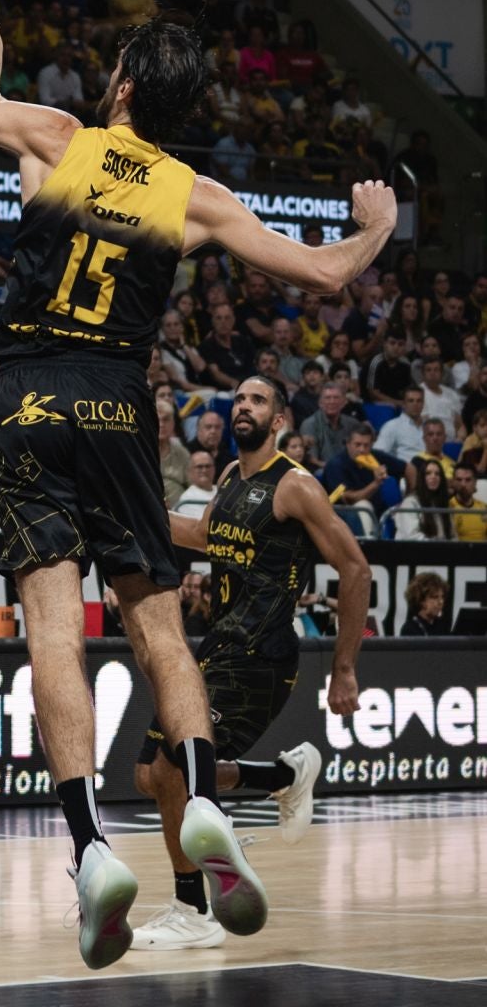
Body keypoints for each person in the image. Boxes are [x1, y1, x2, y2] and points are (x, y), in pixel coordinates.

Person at [0, 0, 395, 969]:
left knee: (52, 625)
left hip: (28, 398)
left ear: (120, 86)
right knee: (159, 626)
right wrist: (374, 228)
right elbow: (323, 275)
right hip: (122, 405)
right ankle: (204, 800)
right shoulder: (194, 195)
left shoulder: (56, 136)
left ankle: (88, 846)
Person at [132, 375, 371, 950]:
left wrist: (344, 668)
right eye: (239, 398)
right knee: (150, 776)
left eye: (257, 400)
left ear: (279, 420)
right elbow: (204, 536)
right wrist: (140, 515)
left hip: (261, 655)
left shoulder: (296, 486)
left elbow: (356, 568)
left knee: (175, 769)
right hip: (217, 645)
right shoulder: (230, 479)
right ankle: (283, 776)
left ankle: (192, 910)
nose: (244, 407)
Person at [400, 572, 449, 637]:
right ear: (421, 600)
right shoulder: (409, 629)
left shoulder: (441, 626)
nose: (441, 602)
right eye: (435, 597)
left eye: (442, 597)